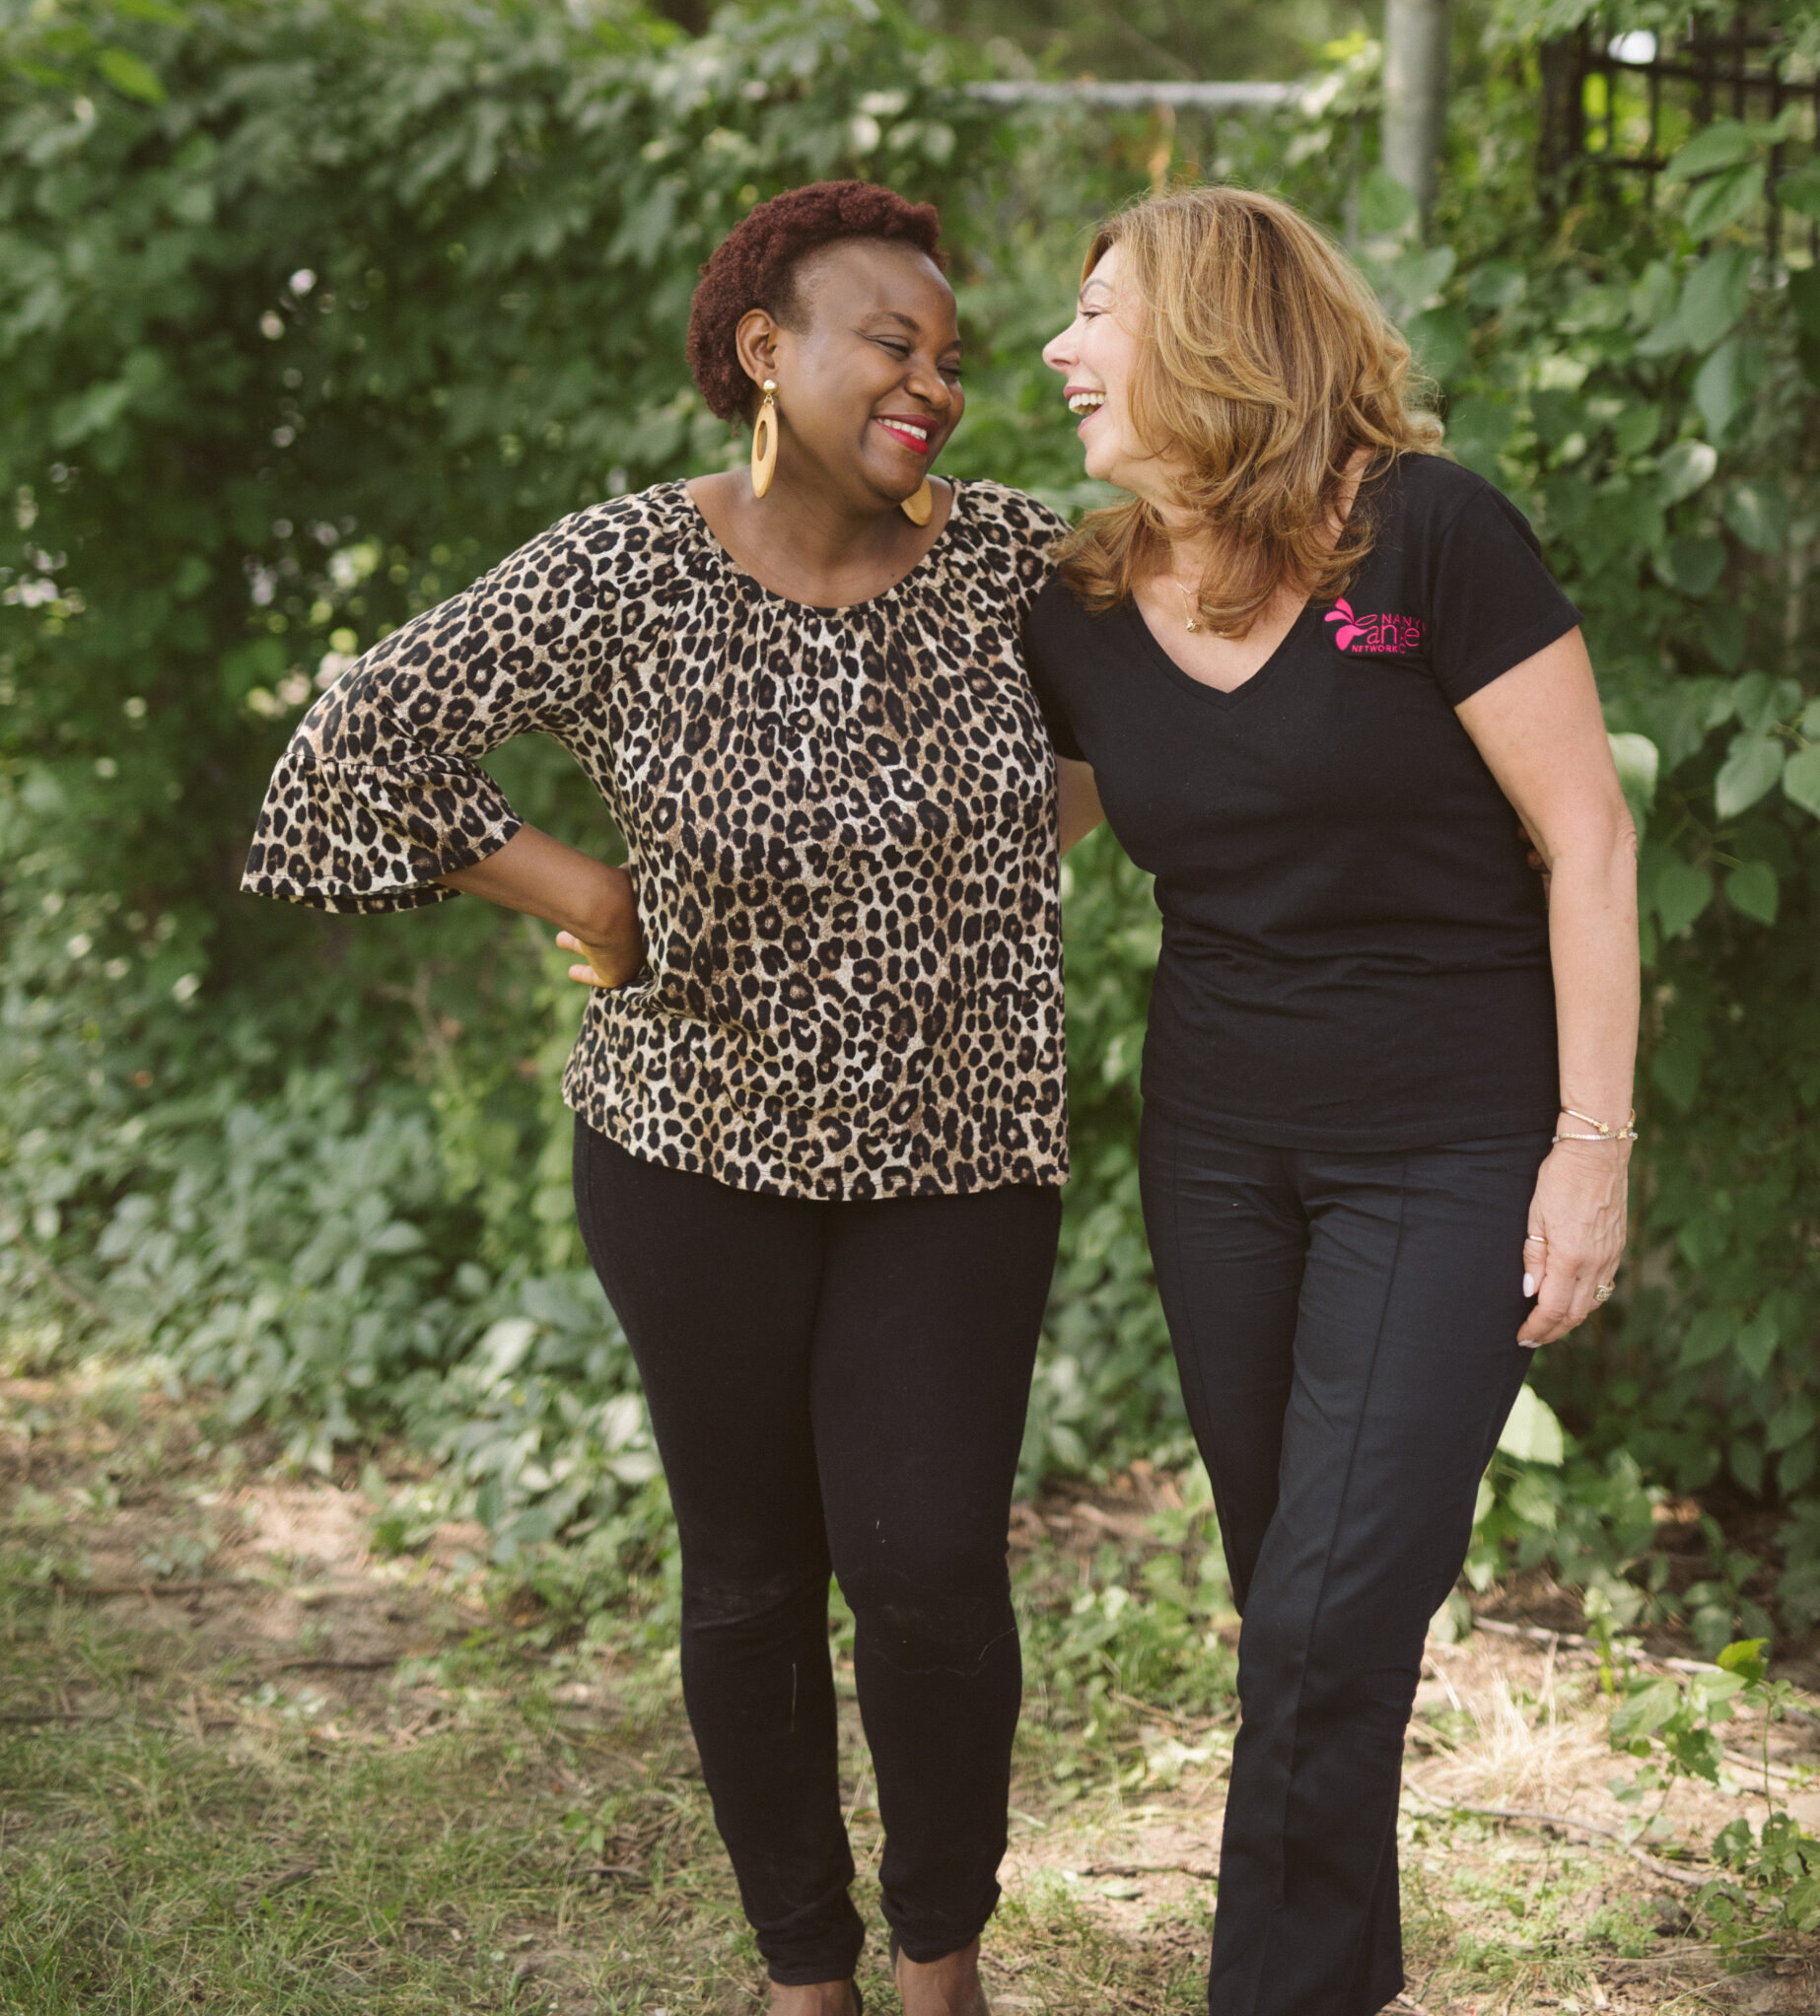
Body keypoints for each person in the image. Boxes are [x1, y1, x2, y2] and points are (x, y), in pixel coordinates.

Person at [242, 179, 1100, 2016]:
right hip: (689, 1150)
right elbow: (354, 743)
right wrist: (582, 892)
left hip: (958, 1155)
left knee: (931, 1570)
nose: (933, 381)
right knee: (750, 1574)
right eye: (893, 339)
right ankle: (806, 1974)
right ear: (762, 350)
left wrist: (1006, 855)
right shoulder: (626, 568)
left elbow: (1186, 717)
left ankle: (943, 1960)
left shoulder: (1019, 564)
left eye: (949, 357)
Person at [1025, 186, 1638, 2016]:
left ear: (1216, 332)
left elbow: (1585, 842)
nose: (1057, 353)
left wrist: (1587, 1153)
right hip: (1216, 1160)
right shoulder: (1078, 606)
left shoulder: (1429, 540)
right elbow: (1008, 849)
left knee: (1317, 1622)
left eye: (1095, 313)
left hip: (1448, 1151)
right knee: (1300, 1613)